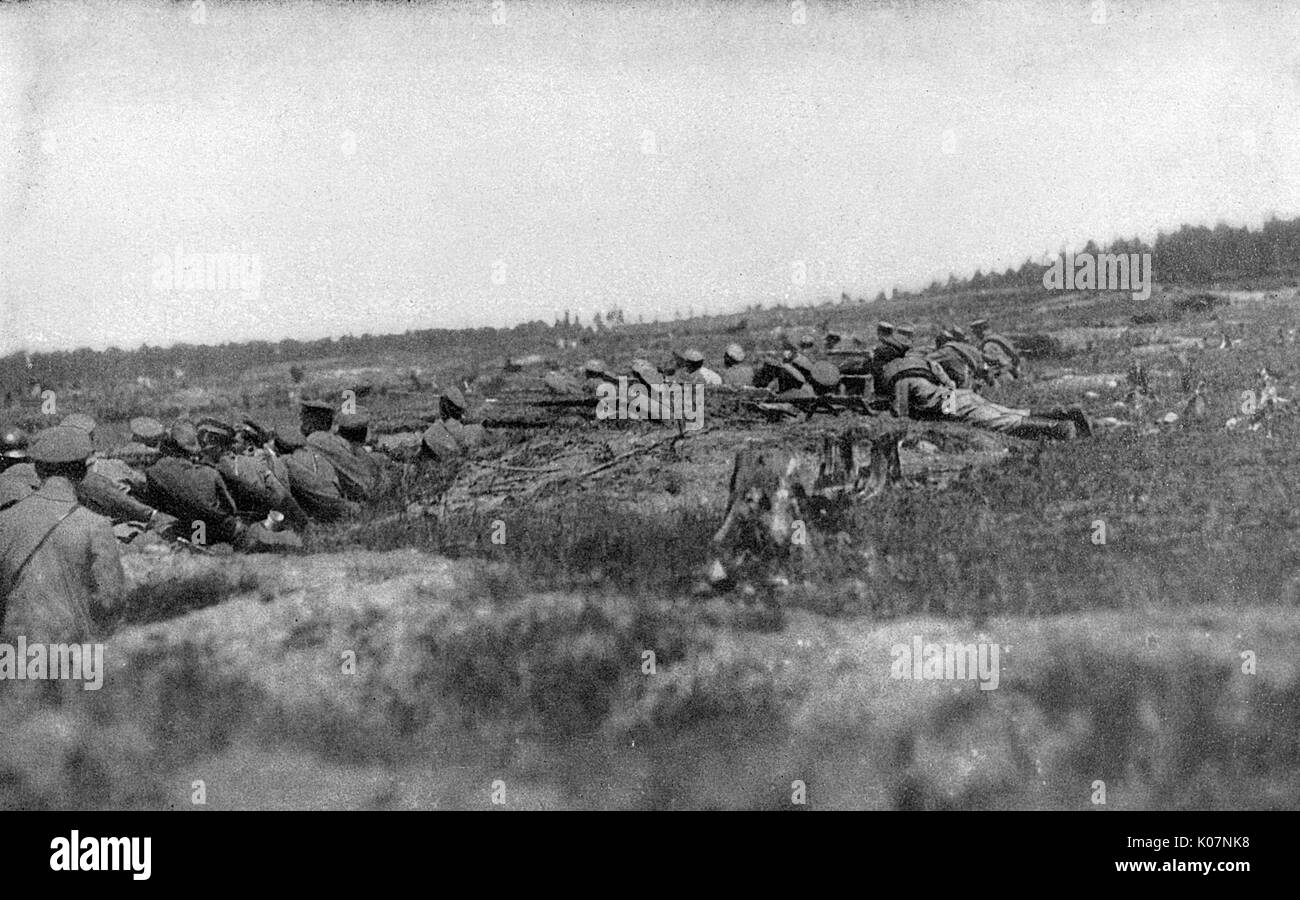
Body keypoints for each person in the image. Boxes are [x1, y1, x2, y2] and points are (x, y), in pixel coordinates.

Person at [0, 425, 125, 642]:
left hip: (14, 652)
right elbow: (110, 600)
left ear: (37, 470)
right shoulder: (95, 525)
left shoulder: (5, 520)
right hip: (71, 652)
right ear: (83, 472)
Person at [880, 355, 1087, 439]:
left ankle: (1061, 429)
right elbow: (950, 382)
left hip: (949, 404)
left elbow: (901, 416)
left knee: (1000, 421)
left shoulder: (899, 380)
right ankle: (1064, 413)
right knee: (1007, 412)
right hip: (958, 394)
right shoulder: (919, 362)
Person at [145, 420, 247, 546]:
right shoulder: (210, 473)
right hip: (211, 532)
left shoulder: (153, 472)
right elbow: (231, 509)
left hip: (180, 529)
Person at [274, 427, 359, 521]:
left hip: (327, 507)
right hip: (343, 499)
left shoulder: (286, 462)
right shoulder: (314, 451)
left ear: (279, 447)